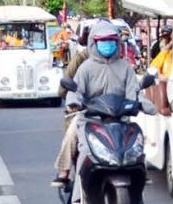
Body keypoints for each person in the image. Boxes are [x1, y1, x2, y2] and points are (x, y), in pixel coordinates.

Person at [53, 20, 144, 187]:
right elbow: (74, 89)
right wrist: (74, 102)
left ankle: (140, 173)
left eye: (110, 40)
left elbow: (134, 90)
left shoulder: (125, 67)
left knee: (137, 140)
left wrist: (141, 104)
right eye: (103, 40)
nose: (107, 44)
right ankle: (64, 173)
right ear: (93, 42)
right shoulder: (84, 65)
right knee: (72, 134)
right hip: (90, 117)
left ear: (117, 42)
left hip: (119, 117)